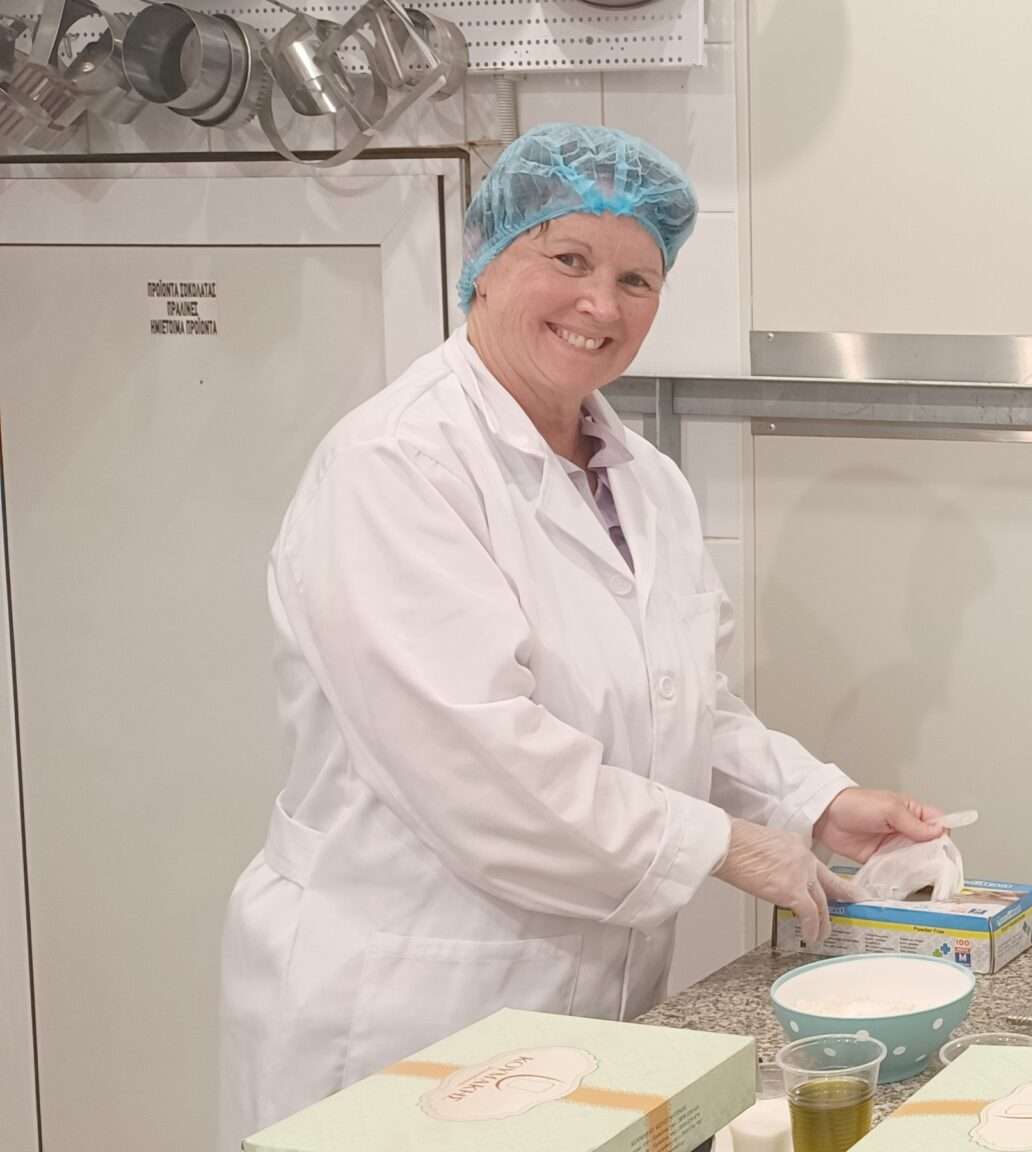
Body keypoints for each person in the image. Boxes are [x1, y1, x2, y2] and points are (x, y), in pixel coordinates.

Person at [215, 124, 947, 1147]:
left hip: (589, 1008)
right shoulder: (396, 465)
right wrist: (727, 845)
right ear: (484, 260)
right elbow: (478, 766)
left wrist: (815, 801)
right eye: (568, 259)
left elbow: (677, 702)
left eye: (637, 279)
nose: (601, 305)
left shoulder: (645, 482)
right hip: (408, 999)